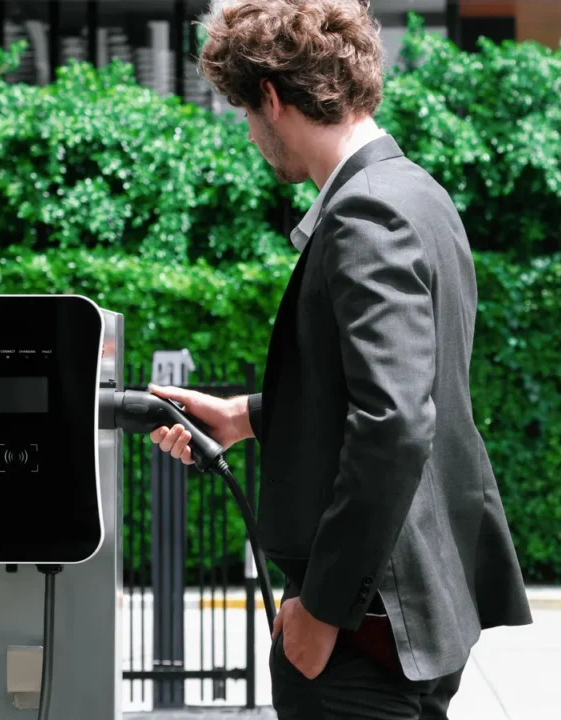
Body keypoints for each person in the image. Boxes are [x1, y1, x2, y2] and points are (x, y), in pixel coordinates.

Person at [143, 0, 533, 717]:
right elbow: (395, 391)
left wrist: (318, 614)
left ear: (270, 96)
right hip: (416, 611)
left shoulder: (365, 215)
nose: (255, 136)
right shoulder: (418, 192)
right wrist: (246, 416)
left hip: (363, 632)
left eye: (247, 113)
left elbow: (393, 424)